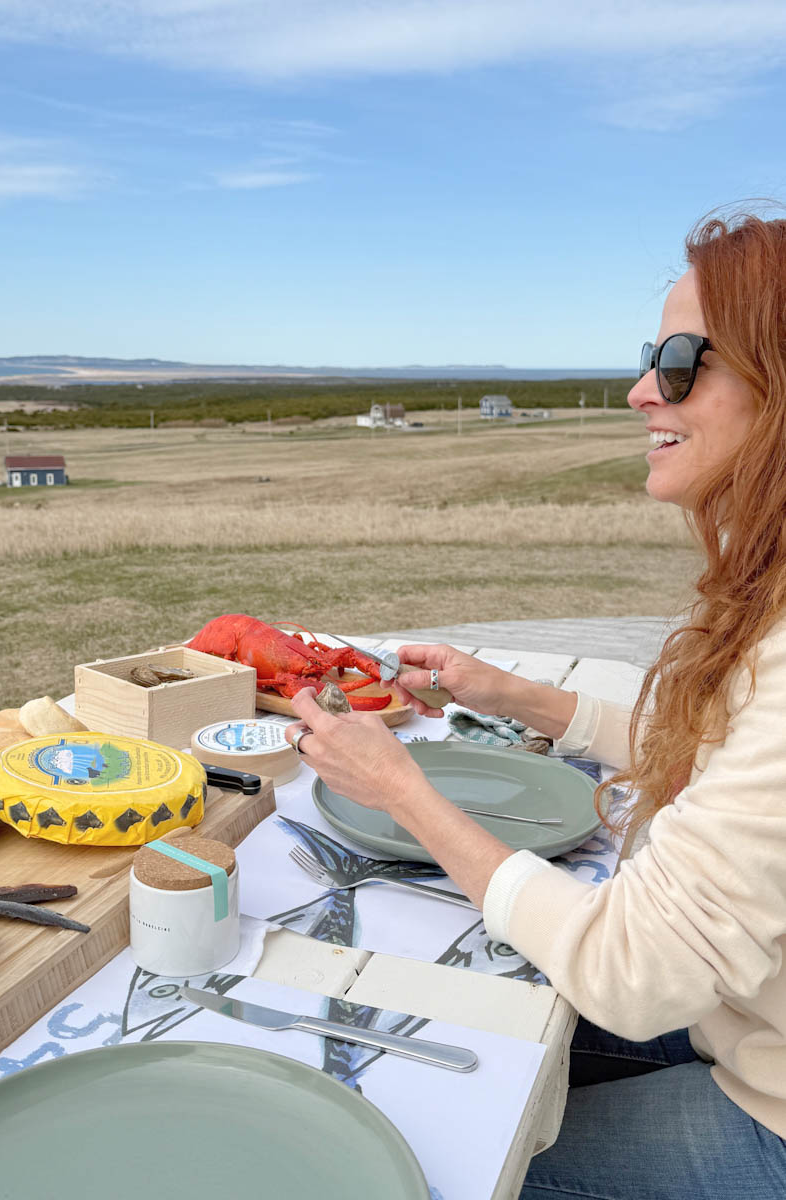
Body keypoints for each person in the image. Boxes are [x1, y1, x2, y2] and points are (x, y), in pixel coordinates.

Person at [285, 211, 786, 1198]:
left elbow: (630, 973)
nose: (645, 389)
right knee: (470, 1011)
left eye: (682, 362)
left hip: (768, 1108)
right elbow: (731, 765)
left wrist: (405, 794)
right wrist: (510, 694)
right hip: (744, 1016)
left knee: (433, 1163)